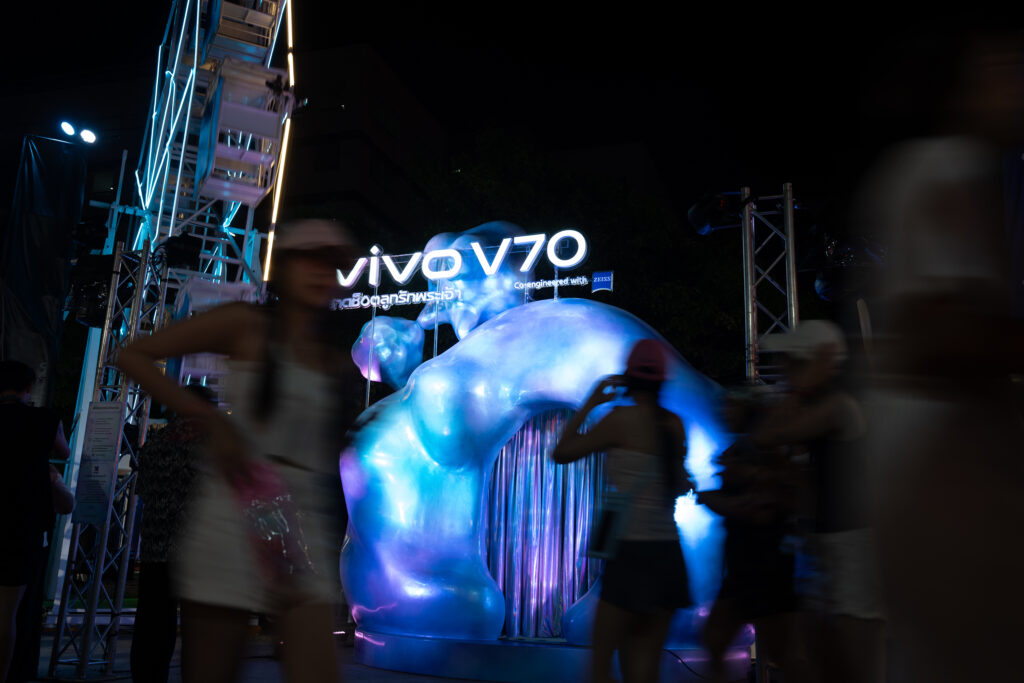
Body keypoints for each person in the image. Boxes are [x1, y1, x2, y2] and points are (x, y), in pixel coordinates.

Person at [116, 219, 358, 683]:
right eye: (309, 259)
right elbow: (132, 354)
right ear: (283, 267)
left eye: (332, 264)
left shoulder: (333, 357)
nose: (320, 271)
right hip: (236, 505)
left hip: (302, 518)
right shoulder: (246, 324)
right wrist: (209, 419)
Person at [552, 339, 692, 683]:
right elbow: (679, 482)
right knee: (644, 669)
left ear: (628, 378)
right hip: (668, 553)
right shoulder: (675, 425)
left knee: (601, 665)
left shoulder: (620, 421)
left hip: (630, 553)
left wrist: (591, 403)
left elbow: (562, 452)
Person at [752, 320, 880, 683]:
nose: (785, 369)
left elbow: (767, 436)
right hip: (824, 541)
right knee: (818, 651)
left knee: (854, 657)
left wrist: (794, 392)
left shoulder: (838, 406)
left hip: (851, 543)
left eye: (794, 361)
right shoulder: (823, 405)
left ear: (820, 361)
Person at [697, 390, 802, 683]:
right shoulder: (746, 450)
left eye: (731, 406)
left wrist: (713, 499)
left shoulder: (762, 454)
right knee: (717, 639)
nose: (724, 411)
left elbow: (757, 508)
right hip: (749, 566)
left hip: (763, 566)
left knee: (780, 651)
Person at [130, 383, 215, 683]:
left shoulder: (154, 444)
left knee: (152, 625)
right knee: (200, 628)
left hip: (156, 547)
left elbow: (144, 491)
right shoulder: (210, 446)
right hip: (198, 548)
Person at [0, 360, 74, 683]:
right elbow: (64, 451)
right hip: (21, 525)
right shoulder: (44, 419)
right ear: (28, 387)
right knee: (6, 614)